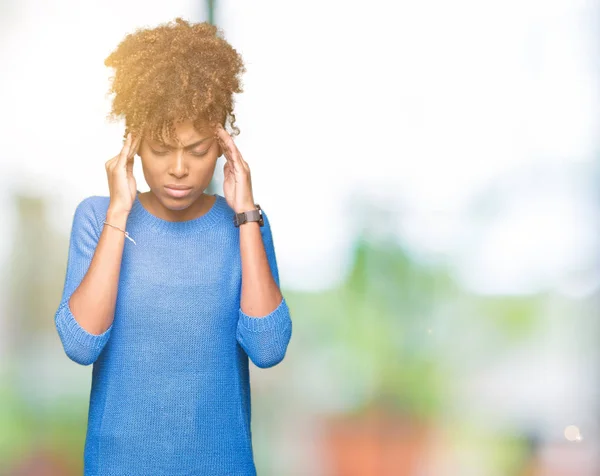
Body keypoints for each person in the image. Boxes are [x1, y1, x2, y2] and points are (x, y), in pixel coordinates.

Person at [54, 18, 292, 475]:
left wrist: (245, 215)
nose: (179, 169)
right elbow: (81, 343)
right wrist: (118, 214)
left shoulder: (245, 226)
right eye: (161, 149)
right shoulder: (97, 218)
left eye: (198, 150)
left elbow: (268, 347)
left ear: (223, 145)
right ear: (134, 145)